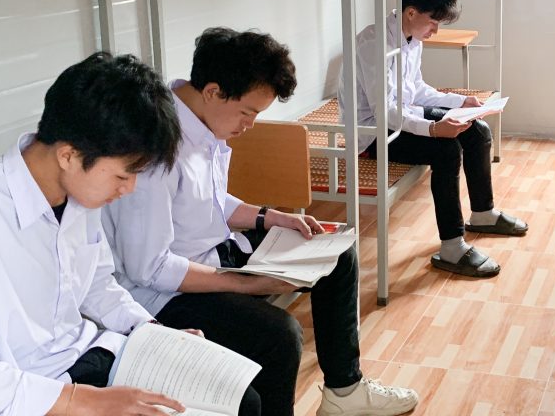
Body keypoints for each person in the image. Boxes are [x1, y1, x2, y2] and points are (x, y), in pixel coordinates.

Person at [103, 29, 418, 416]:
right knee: (279, 336)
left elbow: (208, 202)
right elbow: (149, 268)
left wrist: (271, 217)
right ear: (214, 92)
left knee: (335, 252)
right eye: (248, 113)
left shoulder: (204, 121)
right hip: (167, 294)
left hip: (215, 253)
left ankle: (344, 391)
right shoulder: (156, 147)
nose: (250, 125)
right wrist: (250, 284)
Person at [0, 52, 243, 415]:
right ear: (68, 155)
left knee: (239, 398)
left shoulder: (79, 196)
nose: (129, 189)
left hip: (87, 355)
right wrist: (83, 401)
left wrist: (154, 333)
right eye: (123, 175)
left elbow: (98, 286)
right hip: (31, 391)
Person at [341, 0, 527, 278]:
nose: (436, 30)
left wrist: (459, 102)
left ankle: (483, 213)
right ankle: (452, 246)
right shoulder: (374, 43)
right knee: (446, 150)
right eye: (433, 22)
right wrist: (433, 129)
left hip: (402, 115)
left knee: (477, 130)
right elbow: (384, 111)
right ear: (411, 12)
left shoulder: (412, 37)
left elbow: (416, 90)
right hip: (373, 133)